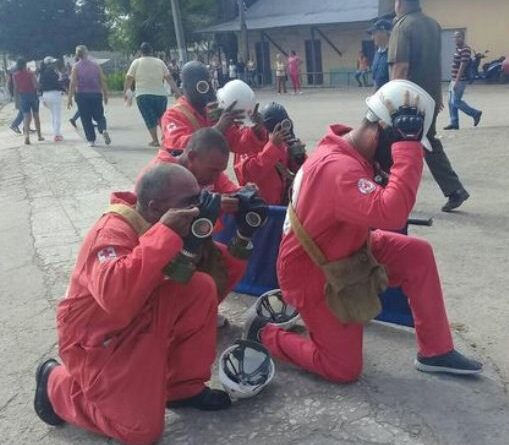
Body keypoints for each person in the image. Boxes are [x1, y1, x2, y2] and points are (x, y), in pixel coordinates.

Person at [244, 80, 483, 384]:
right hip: (315, 274)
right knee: (343, 368)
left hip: (346, 248)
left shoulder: (350, 151)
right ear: (381, 131)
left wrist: (400, 148)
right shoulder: (337, 169)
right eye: (395, 147)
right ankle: (263, 333)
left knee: (416, 255)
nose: (397, 156)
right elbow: (391, 213)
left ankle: (435, 352)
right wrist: (408, 149)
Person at [34, 164, 233, 445]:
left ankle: (182, 388)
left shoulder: (156, 218)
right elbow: (116, 298)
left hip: (135, 316)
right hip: (98, 338)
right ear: (155, 208)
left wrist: (240, 226)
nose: (197, 207)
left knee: (200, 287)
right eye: (190, 202)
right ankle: (55, 384)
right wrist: (165, 233)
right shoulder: (110, 233)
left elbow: (211, 270)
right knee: (140, 431)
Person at [388, 0, 469, 212]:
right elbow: (434, 64)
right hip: (429, 96)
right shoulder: (433, 25)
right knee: (428, 141)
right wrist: (437, 95)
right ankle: (455, 189)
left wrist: (390, 101)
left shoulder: (402, 25)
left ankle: (387, 194)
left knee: (389, 140)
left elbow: (400, 66)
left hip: (407, 99)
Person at [160, 61, 266, 154]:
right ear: (185, 88)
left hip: (207, 172)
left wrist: (255, 130)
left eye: (210, 84)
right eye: (202, 86)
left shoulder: (214, 112)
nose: (208, 90)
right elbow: (178, 146)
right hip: (179, 174)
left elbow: (238, 143)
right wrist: (217, 129)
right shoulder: (173, 115)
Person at [234, 102, 306, 205]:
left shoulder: (281, 142)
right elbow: (249, 174)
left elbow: (302, 172)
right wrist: (273, 147)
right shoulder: (246, 142)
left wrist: (299, 157)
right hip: (259, 206)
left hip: (282, 202)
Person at [124, 42, 181, 147]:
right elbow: (169, 78)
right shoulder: (159, 62)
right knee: (162, 117)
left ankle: (155, 140)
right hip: (160, 94)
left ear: (140, 52)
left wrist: (126, 91)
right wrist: (177, 92)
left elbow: (129, 78)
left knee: (149, 118)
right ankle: (166, 138)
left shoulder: (136, 62)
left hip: (143, 94)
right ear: (151, 51)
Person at [67, 45, 111, 147]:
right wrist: (105, 94)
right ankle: (102, 129)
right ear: (87, 53)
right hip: (96, 94)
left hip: (82, 95)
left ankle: (91, 140)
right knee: (99, 115)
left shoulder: (76, 67)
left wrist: (69, 98)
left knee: (86, 118)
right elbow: (102, 80)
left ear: (77, 54)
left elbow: (73, 83)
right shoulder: (96, 66)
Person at [443, 31, 483, 130]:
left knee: (456, 101)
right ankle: (454, 123)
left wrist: (456, 80)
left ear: (462, 37)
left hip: (460, 80)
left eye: (458, 37)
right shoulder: (458, 49)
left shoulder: (465, 49)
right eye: (454, 37)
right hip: (454, 79)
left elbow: (463, 66)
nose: (455, 39)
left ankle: (475, 113)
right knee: (450, 102)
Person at [12, 58, 44, 145]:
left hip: (23, 96)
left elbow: (16, 88)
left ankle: (26, 136)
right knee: (36, 116)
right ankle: (39, 136)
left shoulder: (15, 75)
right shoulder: (30, 74)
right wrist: (40, 86)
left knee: (26, 117)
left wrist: (16, 101)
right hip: (32, 95)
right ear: (25, 64)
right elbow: (36, 85)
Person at [39, 56, 66, 142]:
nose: (55, 64)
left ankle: (56, 132)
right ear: (49, 64)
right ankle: (56, 134)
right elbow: (57, 84)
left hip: (45, 95)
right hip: (54, 94)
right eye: (53, 63)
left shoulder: (42, 73)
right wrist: (64, 89)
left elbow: (40, 86)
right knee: (57, 115)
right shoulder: (53, 72)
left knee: (53, 114)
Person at [369, 19, 392, 91]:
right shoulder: (378, 53)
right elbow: (376, 80)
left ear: (384, 33)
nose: (372, 37)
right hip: (380, 96)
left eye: (374, 33)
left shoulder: (394, 53)